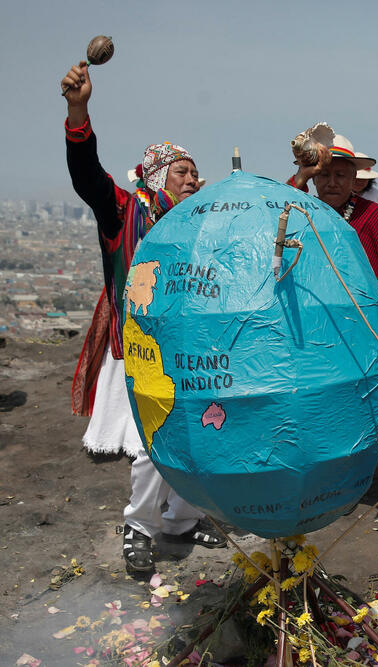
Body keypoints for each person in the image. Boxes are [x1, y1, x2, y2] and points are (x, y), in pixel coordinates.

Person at [61, 60, 224, 577]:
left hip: (187, 346)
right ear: (157, 178)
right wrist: (78, 110)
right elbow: (87, 175)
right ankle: (138, 526)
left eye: (196, 173)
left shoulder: (199, 226)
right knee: (155, 444)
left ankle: (180, 520)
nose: (194, 180)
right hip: (139, 347)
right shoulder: (125, 212)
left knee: (197, 433)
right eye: (184, 172)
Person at [288, 130, 378, 431]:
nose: (332, 182)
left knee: (354, 403)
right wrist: (300, 177)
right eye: (324, 174)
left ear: (355, 177)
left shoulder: (374, 216)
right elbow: (272, 224)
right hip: (309, 328)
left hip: (358, 332)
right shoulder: (298, 210)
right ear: (314, 178)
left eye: (341, 175)